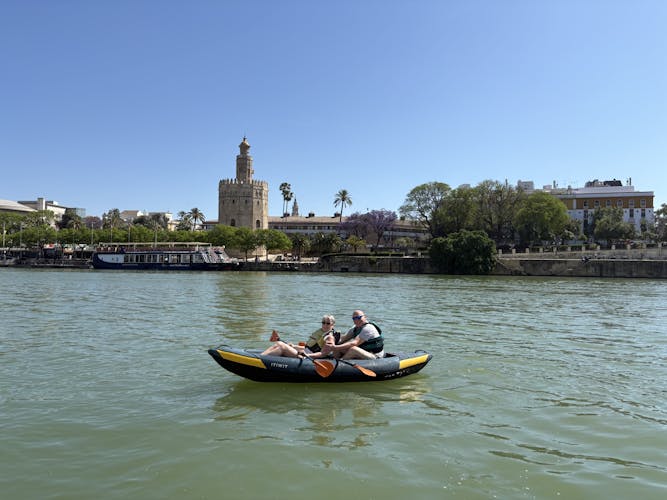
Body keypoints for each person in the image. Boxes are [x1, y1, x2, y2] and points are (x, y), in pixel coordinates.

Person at [261, 315, 338, 358]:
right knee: (279, 343)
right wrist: (294, 346)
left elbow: (323, 354)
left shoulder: (329, 337)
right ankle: (260, 357)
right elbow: (310, 348)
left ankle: (261, 360)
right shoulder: (321, 333)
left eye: (328, 323)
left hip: (307, 357)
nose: (325, 325)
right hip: (305, 353)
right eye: (323, 322)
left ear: (333, 324)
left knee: (282, 346)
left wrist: (307, 355)